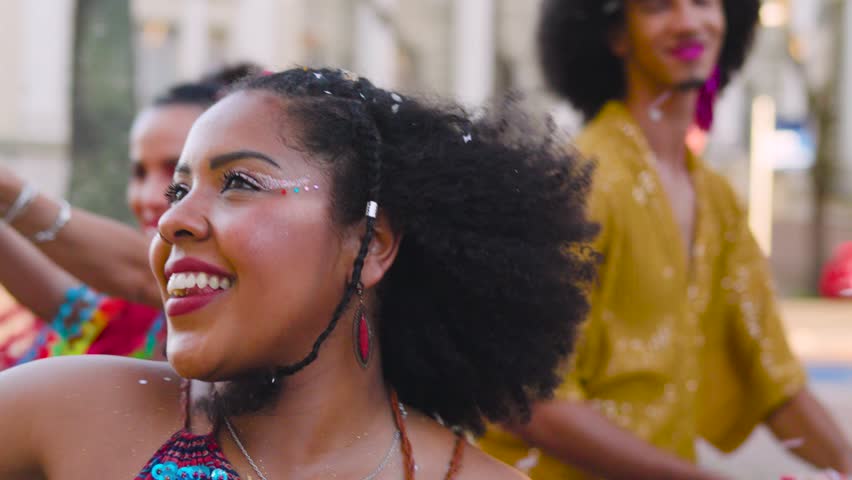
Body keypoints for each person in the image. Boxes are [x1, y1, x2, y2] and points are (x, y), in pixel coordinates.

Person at [0, 67, 599, 479]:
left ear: (370, 244)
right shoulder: (62, 412)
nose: (172, 219)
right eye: (181, 189)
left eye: (238, 182)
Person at [479, 1, 852, 478]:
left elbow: (772, 376)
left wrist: (844, 461)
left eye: (703, 2)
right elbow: (531, 399)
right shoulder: (581, 184)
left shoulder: (719, 201)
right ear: (616, 34)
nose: (688, 22)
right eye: (658, 6)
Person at [0, 64, 259, 366]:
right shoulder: (123, 313)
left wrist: (12, 192)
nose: (149, 197)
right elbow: (63, 303)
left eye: (176, 171)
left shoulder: (254, 302)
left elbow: (143, 277)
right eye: (139, 172)